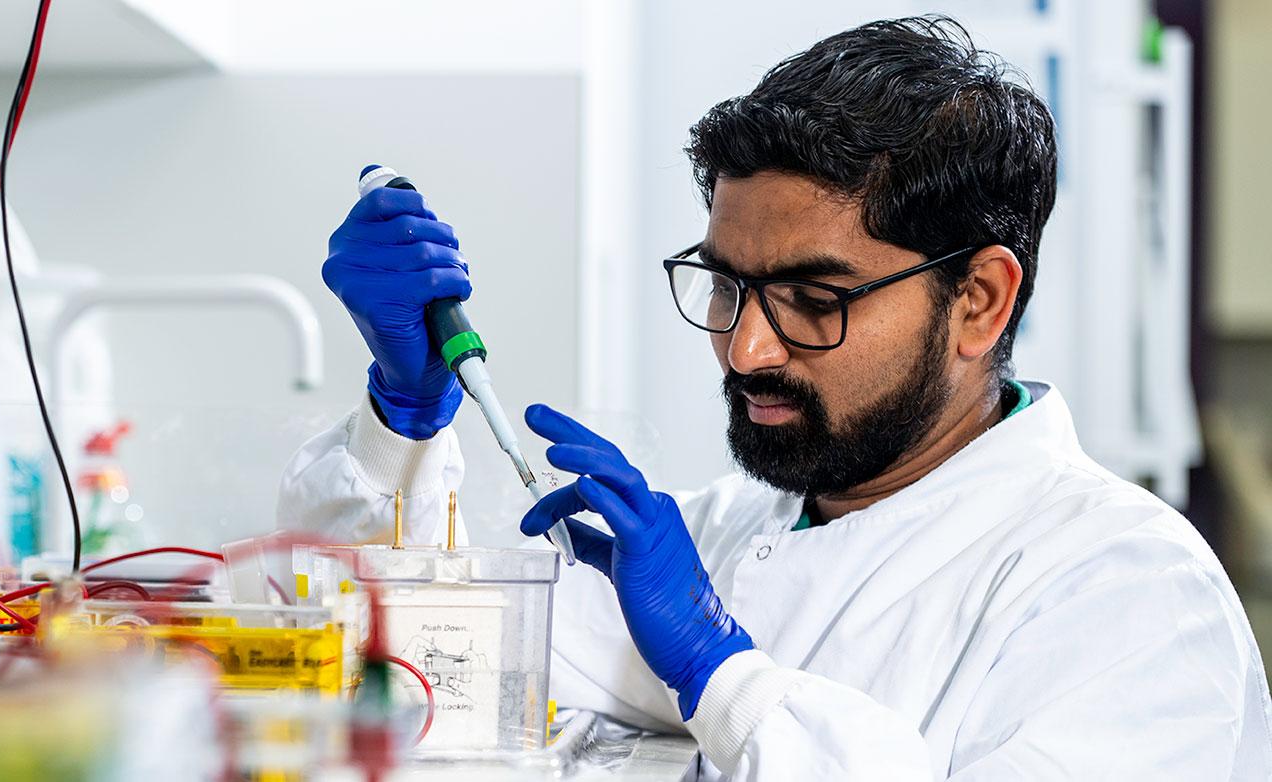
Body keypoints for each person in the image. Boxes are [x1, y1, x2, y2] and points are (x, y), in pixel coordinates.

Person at [276, 15, 1272, 779]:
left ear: (978, 300)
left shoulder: (1128, 591)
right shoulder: (722, 534)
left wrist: (722, 668)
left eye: (813, 297)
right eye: (726, 283)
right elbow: (380, 657)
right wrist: (404, 414)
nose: (746, 346)